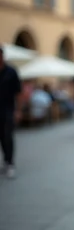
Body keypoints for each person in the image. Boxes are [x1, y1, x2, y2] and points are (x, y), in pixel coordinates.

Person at [0, 45, 22, 179]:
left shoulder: (11, 72)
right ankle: (5, 160)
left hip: (8, 109)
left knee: (8, 136)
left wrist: (18, 110)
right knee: (1, 137)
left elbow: (18, 93)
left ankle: (10, 163)